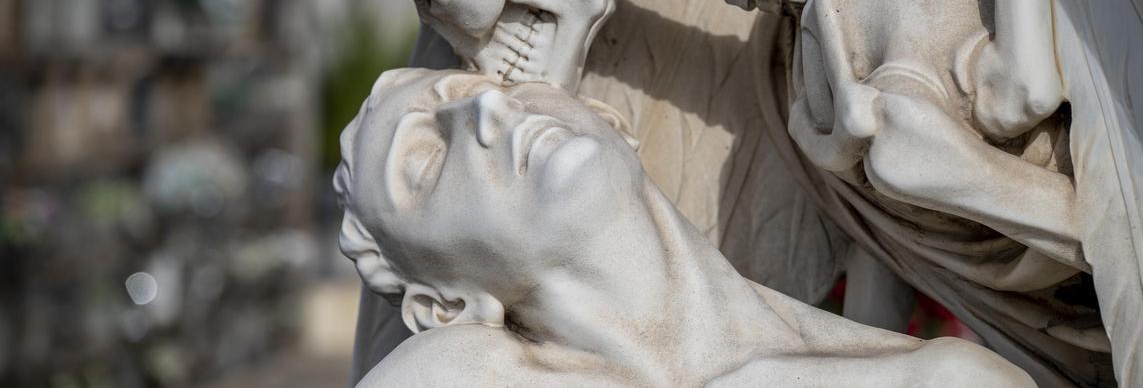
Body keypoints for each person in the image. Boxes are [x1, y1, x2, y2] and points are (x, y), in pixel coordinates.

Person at [334, 68, 1032, 386]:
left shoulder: (941, 379)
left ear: (610, 122)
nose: (486, 115)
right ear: (445, 305)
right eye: (423, 163)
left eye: (495, 89)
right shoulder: (458, 372)